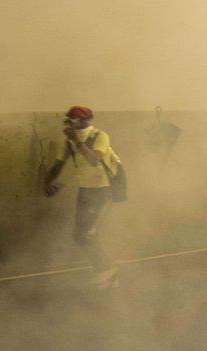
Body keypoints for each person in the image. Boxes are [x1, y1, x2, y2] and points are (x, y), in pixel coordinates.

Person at [44, 105, 121, 289]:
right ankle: (107, 274)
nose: (68, 126)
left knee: (87, 233)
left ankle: (108, 271)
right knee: (80, 235)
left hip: (102, 190)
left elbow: (94, 160)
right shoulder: (70, 142)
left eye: (72, 122)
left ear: (83, 122)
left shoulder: (99, 136)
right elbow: (58, 164)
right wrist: (47, 182)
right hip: (86, 190)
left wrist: (76, 141)